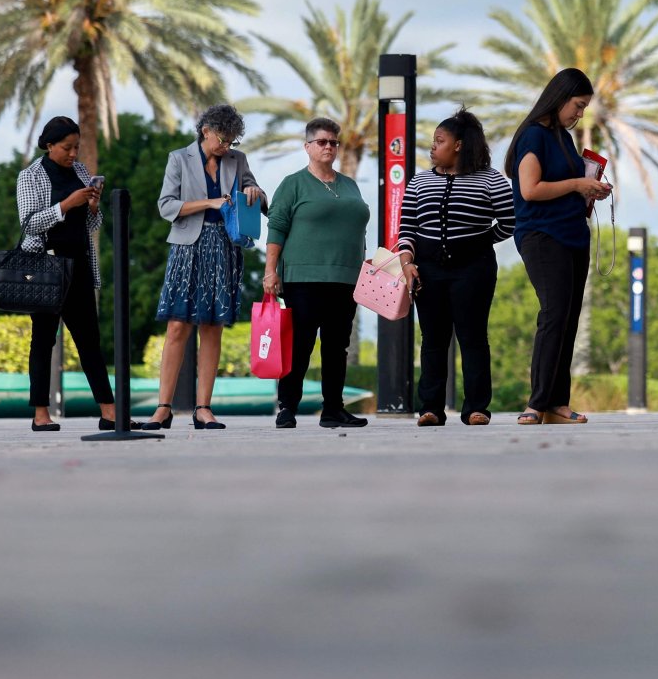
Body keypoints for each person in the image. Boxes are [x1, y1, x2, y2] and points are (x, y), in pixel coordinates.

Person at [16, 116, 143, 431]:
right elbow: (29, 223)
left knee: (90, 341)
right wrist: (66, 204)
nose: (73, 154)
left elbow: (91, 227)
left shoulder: (81, 172)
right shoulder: (30, 175)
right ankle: (41, 414)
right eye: (66, 148)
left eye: (76, 147)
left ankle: (109, 411)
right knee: (43, 341)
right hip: (45, 265)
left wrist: (92, 208)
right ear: (49, 145)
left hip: (80, 265)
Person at [148, 105, 267, 431]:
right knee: (176, 327)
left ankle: (204, 409)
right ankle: (163, 408)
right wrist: (210, 203)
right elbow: (166, 205)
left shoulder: (237, 161)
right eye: (223, 140)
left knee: (212, 326)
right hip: (188, 248)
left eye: (232, 141)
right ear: (206, 131)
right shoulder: (178, 158)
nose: (227, 146)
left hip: (225, 248)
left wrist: (255, 192)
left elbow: (259, 197)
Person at [504, 68, 611, 425]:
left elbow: (568, 184)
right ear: (560, 97)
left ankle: (557, 402)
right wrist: (577, 184)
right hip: (542, 235)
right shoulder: (534, 136)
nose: (579, 114)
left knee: (567, 319)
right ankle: (536, 403)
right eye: (578, 106)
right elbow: (530, 190)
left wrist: (589, 187)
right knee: (552, 314)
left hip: (573, 234)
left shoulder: (563, 138)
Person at [397, 109, 515, 427]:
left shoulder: (490, 179)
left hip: (474, 269)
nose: (432, 147)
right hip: (427, 270)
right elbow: (406, 228)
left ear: (459, 145)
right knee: (433, 338)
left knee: (473, 337)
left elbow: (510, 220)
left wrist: (480, 242)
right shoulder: (419, 181)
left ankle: (477, 408)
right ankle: (430, 408)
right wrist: (407, 263)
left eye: (440, 141)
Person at [262, 117, 371, 429]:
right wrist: (271, 272)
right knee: (300, 346)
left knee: (337, 348)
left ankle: (333, 409)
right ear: (307, 146)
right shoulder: (293, 184)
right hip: (303, 279)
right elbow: (277, 228)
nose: (328, 147)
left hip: (346, 279)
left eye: (333, 142)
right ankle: (287, 407)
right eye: (322, 142)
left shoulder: (349, 185)